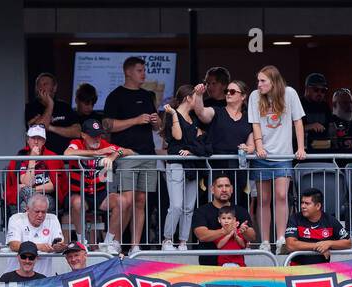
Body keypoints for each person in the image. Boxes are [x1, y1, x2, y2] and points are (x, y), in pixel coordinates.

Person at [103, 56, 162, 256]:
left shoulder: (147, 95)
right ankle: (116, 241)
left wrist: (155, 121)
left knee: (140, 201)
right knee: (126, 200)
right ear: (128, 72)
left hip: (148, 153)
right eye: (139, 70)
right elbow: (108, 125)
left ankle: (135, 245)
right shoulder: (116, 95)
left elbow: (158, 126)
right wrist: (136, 120)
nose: (143, 74)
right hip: (126, 155)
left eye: (144, 70)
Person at [248, 65, 307, 251]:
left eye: (263, 81)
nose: (259, 84)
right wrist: (259, 147)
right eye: (258, 80)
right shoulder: (254, 96)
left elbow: (298, 121)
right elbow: (255, 124)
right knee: (264, 199)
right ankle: (265, 241)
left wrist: (300, 148)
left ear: (273, 81)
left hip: (283, 154)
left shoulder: (289, 93)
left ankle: (281, 237)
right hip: (263, 154)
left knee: (281, 196)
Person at [65, 116, 135, 252]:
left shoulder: (104, 144)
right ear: (83, 135)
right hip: (80, 195)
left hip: (100, 195)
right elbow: (67, 152)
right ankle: (81, 242)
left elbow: (128, 151)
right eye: (93, 136)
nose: (97, 139)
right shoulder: (76, 143)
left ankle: (108, 243)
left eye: (99, 135)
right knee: (77, 203)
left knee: (122, 201)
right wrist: (96, 153)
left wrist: (113, 156)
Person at [191, 80, 253, 195]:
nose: (228, 93)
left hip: (238, 167)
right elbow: (201, 113)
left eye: (233, 91)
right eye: (226, 91)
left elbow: (251, 146)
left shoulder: (248, 119)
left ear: (243, 96)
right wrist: (199, 95)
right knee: (215, 201)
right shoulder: (217, 111)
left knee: (236, 201)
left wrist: (247, 148)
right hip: (216, 165)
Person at [160, 85, 200, 252]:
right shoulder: (172, 115)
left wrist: (192, 150)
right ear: (188, 98)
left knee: (188, 207)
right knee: (176, 205)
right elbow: (177, 136)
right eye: (195, 96)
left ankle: (183, 241)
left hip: (191, 164)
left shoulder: (193, 118)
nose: (197, 100)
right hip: (176, 164)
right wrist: (175, 114)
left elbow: (198, 141)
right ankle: (167, 240)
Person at [191, 174, 255, 266]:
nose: (224, 190)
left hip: (237, 267)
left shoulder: (241, 211)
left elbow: (252, 236)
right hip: (208, 268)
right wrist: (225, 231)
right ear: (212, 189)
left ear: (232, 189)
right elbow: (202, 235)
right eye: (220, 186)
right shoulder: (201, 211)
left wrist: (244, 231)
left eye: (227, 186)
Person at [6, 126, 65, 215]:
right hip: (26, 198)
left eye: (40, 139)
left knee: (25, 204)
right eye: (33, 138)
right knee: (25, 204)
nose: (36, 142)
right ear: (28, 140)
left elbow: (52, 186)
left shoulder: (52, 157)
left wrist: (32, 189)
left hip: (47, 197)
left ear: (44, 141)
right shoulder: (21, 158)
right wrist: (32, 159)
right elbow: (28, 182)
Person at [283, 188, 351, 265]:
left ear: (318, 206)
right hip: (298, 269)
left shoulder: (330, 220)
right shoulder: (294, 218)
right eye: (302, 203)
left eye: (307, 203)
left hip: (323, 270)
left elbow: (348, 243)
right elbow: (290, 245)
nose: (303, 206)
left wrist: (329, 243)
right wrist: (318, 246)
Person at [24, 72, 80, 155]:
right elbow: (39, 130)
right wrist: (50, 105)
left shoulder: (65, 107)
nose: (40, 87)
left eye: (45, 84)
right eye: (38, 85)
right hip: (41, 160)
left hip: (64, 159)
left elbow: (77, 132)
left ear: (54, 88)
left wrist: (50, 127)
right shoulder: (30, 107)